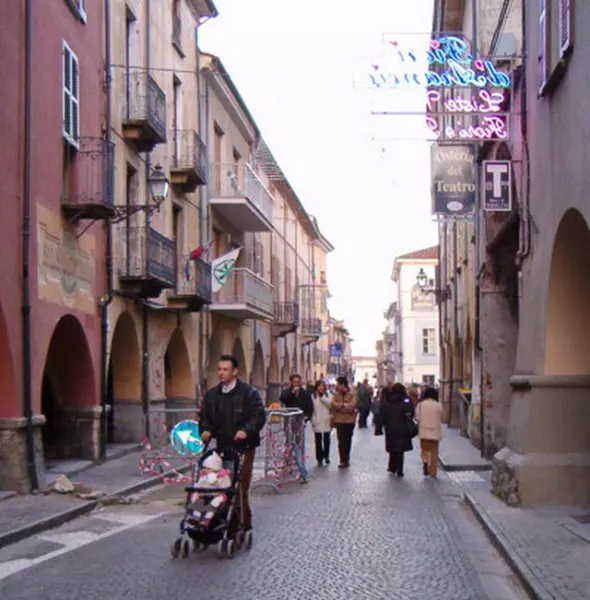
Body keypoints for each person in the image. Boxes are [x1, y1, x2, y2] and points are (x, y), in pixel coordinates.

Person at [198, 354, 266, 536]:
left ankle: (240, 524)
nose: (221, 373)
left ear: (235, 372)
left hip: (244, 447)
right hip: (222, 446)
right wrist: (204, 431)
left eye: (225, 369)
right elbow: (205, 417)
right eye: (219, 369)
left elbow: (258, 415)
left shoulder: (248, 393)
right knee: (219, 485)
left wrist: (246, 430)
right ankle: (216, 521)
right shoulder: (213, 394)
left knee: (240, 485)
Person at [280, 373, 314, 483]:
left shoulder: (305, 394)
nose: (297, 384)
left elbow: (310, 407)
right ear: (291, 382)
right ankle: (288, 465)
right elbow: (283, 399)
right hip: (289, 422)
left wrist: (306, 418)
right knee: (288, 443)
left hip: (300, 422)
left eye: (298, 382)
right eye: (294, 382)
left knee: (300, 444)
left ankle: (300, 466)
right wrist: (292, 393)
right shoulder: (287, 391)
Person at [380, 381, 414, 477]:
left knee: (392, 448)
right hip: (402, 427)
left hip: (390, 427)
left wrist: (383, 424)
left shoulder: (388, 399)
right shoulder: (405, 399)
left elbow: (383, 412)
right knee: (400, 450)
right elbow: (411, 412)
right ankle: (400, 469)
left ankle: (392, 466)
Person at [415, 387, 443, 478]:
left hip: (424, 432)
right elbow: (442, 416)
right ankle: (433, 472)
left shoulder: (421, 405)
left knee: (424, 450)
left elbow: (417, 417)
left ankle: (425, 462)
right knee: (434, 452)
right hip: (435, 432)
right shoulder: (439, 405)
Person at [330, 376, 357, 468]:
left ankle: (346, 459)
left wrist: (340, 407)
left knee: (348, 441)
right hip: (339, 421)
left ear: (343, 385)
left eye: (338, 384)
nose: (337, 386)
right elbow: (333, 405)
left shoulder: (352, 393)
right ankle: (342, 460)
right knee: (341, 441)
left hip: (350, 421)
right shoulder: (336, 394)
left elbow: (352, 406)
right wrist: (344, 405)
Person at [311, 379, 332, 466]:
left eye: (322, 386)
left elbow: (330, 405)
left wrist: (322, 397)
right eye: (319, 386)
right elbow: (311, 409)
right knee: (318, 440)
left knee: (327, 439)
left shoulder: (329, 395)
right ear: (316, 387)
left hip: (326, 420)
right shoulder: (312, 396)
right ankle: (319, 458)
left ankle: (326, 456)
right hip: (317, 420)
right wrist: (313, 420)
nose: (321, 388)